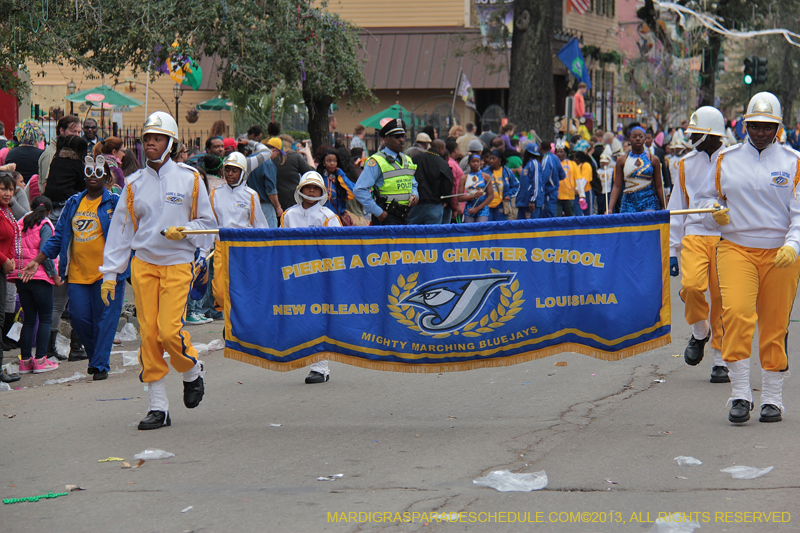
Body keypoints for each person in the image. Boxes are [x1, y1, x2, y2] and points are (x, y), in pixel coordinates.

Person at [99, 111, 217, 430]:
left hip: (178, 262)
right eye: (147, 138)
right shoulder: (134, 183)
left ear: (171, 143)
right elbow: (121, 231)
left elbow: (208, 225)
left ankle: (191, 371)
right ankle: (158, 407)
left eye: (157, 138)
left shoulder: (190, 179)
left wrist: (186, 231)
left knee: (168, 331)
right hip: (144, 265)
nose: (150, 142)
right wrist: (110, 274)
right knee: (149, 336)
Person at [695, 92, 800, 424]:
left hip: (781, 253)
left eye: (768, 127)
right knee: (737, 315)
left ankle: (772, 398)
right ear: (744, 125)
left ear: (778, 127)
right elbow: (704, 204)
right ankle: (740, 394)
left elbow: (799, 214)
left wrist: (793, 245)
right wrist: (714, 215)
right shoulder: (725, 160)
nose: (760, 132)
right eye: (754, 125)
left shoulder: (794, 162)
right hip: (735, 248)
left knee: (775, 324)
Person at [24, 156, 127, 380]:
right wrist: (38, 259)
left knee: (104, 321)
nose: (93, 176)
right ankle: (96, 358)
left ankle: (99, 365)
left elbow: (129, 234)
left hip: (108, 274)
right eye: (89, 172)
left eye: (98, 172)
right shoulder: (73, 203)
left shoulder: (115, 203)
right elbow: (58, 236)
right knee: (79, 319)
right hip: (78, 274)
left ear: (106, 177)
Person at [667, 106, 727, 384]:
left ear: (710, 135)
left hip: (726, 236)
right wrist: (672, 249)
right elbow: (677, 205)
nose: (690, 138)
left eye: (695, 133)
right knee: (691, 287)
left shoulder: (733, 160)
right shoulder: (685, 164)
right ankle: (700, 331)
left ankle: (720, 360)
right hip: (694, 233)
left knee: (722, 299)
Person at [280, 171, 341, 383]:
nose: (312, 191)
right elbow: (281, 244)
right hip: (294, 274)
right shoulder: (288, 215)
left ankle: (320, 368)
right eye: (308, 187)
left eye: (316, 187)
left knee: (318, 319)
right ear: (301, 189)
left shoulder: (328, 217)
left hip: (320, 276)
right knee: (301, 318)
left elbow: (338, 248)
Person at [9, 196, 60, 376]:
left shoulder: (19, 224)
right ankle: (40, 360)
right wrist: (54, 276)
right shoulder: (45, 225)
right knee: (45, 318)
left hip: (21, 277)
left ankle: (25, 362)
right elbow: (45, 252)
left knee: (29, 319)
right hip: (40, 277)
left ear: (31, 206)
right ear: (49, 212)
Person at [353, 119, 419, 226]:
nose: (401, 140)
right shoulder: (377, 161)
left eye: (403, 136)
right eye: (397, 137)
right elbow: (359, 190)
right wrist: (379, 213)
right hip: (386, 216)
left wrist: (415, 194)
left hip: (405, 216)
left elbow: (413, 184)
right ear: (386, 140)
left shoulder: (407, 160)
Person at [607, 126, 665, 213]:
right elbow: (617, 186)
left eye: (641, 136)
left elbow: (659, 185)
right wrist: (610, 208)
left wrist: (665, 205)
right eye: (634, 137)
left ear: (645, 139)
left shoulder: (653, 159)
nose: (638, 139)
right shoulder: (622, 160)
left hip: (648, 203)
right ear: (629, 139)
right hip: (628, 204)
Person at [408, 139, 453, 225]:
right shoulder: (442, 163)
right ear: (441, 149)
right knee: (432, 232)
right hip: (434, 204)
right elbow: (448, 181)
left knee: (412, 231)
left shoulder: (416, 158)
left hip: (416, 203)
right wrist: (446, 199)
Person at [269, 137, 315, 212]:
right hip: (295, 199)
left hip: (277, 201)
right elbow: (311, 174)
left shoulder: (272, 160)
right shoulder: (295, 157)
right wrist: (308, 153)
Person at [38, 116, 82, 188]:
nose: (77, 135)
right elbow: (46, 185)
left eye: (79, 132)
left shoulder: (72, 152)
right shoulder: (50, 154)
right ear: (61, 130)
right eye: (73, 131)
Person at [317, 148, 357, 219]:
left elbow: (353, 193)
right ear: (323, 162)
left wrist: (341, 175)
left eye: (335, 161)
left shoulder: (340, 179)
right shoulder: (319, 179)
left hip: (337, 219)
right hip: (321, 218)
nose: (332, 163)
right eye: (328, 161)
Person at [458, 155, 495, 223]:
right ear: (468, 163)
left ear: (481, 162)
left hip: (482, 208)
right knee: (469, 229)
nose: (475, 163)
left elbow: (491, 196)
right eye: (473, 162)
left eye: (477, 162)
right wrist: (473, 196)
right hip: (469, 209)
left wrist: (477, 208)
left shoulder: (486, 177)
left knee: (481, 228)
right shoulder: (464, 178)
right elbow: (459, 198)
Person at [540, 142, 566, 218]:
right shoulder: (555, 158)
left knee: (548, 216)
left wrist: (541, 189)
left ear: (541, 148)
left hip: (548, 191)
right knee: (552, 214)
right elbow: (562, 175)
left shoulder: (546, 159)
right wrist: (555, 179)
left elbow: (544, 177)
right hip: (554, 191)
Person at [518, 143, 542, 219]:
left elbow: (536, 182)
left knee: (531, 225)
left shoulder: (534, 164)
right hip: (523, 202)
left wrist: (532, 200)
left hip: (530, 203)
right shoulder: (527, 165)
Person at [571, 140, 595, 216]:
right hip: (577, 194)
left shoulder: (586, 165)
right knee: (578, 213)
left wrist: (578, 189)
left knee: (588, 213)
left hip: (586, 191)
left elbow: (584, 180)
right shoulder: (575, 166)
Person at [555, 140, 577, 217]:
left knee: (570, 217)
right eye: (557, 152)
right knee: (557, 218)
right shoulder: (553, 163)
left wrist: (580, 193)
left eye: (561, 152)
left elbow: (577, 178)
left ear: (565, 153)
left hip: (569, 195)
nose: (559, 154)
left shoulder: (572, 164)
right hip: (556, 196)